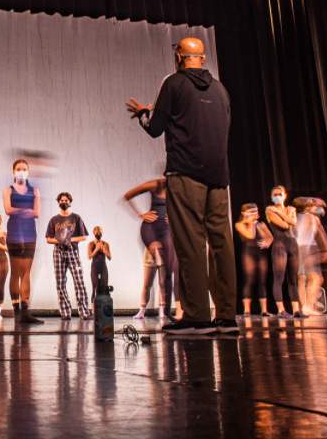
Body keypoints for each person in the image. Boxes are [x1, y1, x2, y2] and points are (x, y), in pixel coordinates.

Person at [126, 38, 237, 335]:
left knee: (189, 242)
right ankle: (227, 317)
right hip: (219, 177)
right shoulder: (221, 89)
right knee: (221, 244)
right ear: (201, 58)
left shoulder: (173, 83)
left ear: (179, 57)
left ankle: (197, 316)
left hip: (186, 172)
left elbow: (155, 128)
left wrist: (143, 114)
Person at [123, 178, 178, 321]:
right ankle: (142, 310)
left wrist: (173, 217)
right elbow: (128, 195)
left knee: (164, 278)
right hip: (152, 234)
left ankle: (163, 310)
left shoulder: (177, 189)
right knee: (147, 281)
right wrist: (141, 214)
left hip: (165, 234)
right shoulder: (156, 185)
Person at [4, 159, 43, 324]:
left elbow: (37, 213)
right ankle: (16, 310)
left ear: (28, 171)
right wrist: (25, 210)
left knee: (26, 272)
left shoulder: (35, 191)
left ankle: (25, 311)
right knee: (15, 272)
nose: (21, 171)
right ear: (13, 172)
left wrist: (19, 211)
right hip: (13, 233)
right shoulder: (8, 190)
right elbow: (8, 210)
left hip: (29, 234)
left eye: (24, 169)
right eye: (18, 169)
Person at [45, 192, 92, 321]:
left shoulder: (76, 218)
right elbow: (48, 239)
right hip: (58, 252)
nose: (64, 202)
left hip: (72, 251)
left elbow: (83, 236)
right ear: (58, 203)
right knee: (60, 283)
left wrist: (69, 239)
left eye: (66, 200)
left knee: (79, 282)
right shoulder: (54, 220)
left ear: (70, 202)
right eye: (61, 200)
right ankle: (65, 312)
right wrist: (60, 240)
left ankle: (84, 312)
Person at [266, 187, 303, 319]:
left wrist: (281, 212)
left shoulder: (290, 209)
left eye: (280, 194)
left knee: (293, 279)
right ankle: (281, 310)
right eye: (275, 195)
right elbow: (285, 225)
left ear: (285, 195)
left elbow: (293, 222)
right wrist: (283, 212)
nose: (277, 196)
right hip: (280, 245)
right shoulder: (270, 210)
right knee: (279, 278)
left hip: (292, 244)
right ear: (271, 196)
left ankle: (296, 310)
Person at [293, 197, 327, 316]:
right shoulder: (312, 217)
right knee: (316, 278)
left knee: (302, 279)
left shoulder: (295, 217)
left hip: (296, 248)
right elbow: (322, 235)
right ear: (308, 207)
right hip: (304, 249)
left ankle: (301, 307)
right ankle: (307, 306)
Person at [235, 204, 272, 317]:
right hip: (248, 253)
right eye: (251, 212)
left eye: (255, 211)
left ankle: (264, 310)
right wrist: (251, 223)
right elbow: (250, 235)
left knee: (262, 280)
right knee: (249, 279)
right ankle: (247, 310)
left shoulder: (261, 224)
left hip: (261, 253)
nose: (254, 214)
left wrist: (267, 243)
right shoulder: (240, 224)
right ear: (244, 213)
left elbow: (270, 237)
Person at [87, 226, 111, 303]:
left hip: (103, 267)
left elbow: (109, 257)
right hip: (95, 267)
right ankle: (94, 310)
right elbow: (89, 256)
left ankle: (104, 307)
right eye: (97, 233)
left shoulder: (105, 244)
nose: (98, 234)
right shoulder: (91, 244)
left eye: (99, 233)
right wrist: (96, 249)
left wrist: (105, 252)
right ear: (94, 233)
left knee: (105, 288)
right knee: (95, 287)